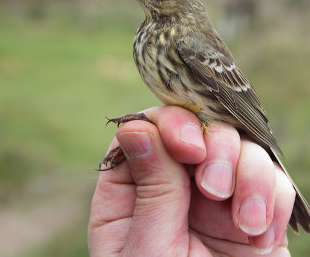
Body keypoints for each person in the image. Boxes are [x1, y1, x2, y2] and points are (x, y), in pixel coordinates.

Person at [89, 106, 294, 256]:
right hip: (205, 128)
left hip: (226, 114)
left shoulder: (187, 47)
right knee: (187, 139)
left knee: (191, 140)